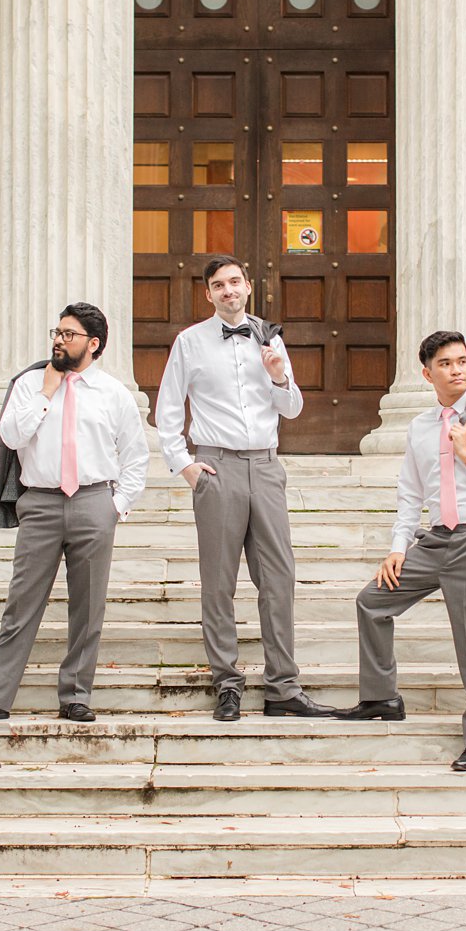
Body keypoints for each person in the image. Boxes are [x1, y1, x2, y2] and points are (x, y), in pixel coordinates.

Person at [334, 331, 466, 772]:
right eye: (445, 363)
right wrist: (397, 547)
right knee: (372, 602)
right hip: (435, 540)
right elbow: (410, 492)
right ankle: (382, 698)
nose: (457, 369)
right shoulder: (422, 426)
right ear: (427, 373)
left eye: (462, 361)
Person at [154, 257, 333, 720]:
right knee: (218, 582)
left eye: (235, 282)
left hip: (267, 468)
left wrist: (277, 374)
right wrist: (185, 466)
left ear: (249, 286)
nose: (229, 291)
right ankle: (227, 683)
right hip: (217, 468)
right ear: (208, 294)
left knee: (279, 578)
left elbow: (291, 409)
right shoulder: (189, 342)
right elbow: (169, 410)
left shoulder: (268, 337)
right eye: (219, 285)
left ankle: (282, 687)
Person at [0, 303, 148, 723]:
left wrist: (116, 506)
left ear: (93, 344)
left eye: (68, 334)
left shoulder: (113, 393)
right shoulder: (30, 384)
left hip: (94, 502)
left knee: (88, 608)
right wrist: (46, 392)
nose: (57, 339)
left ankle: (76, 695)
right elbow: (11, 435)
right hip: (40, 503)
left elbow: (135, 455)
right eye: (56, 331)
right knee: (22, 604)